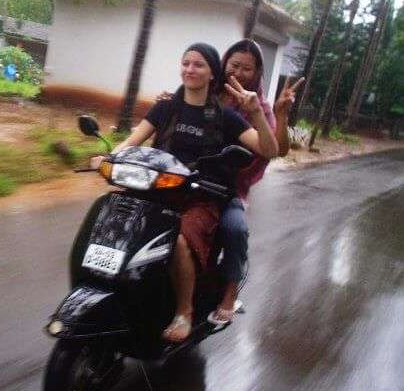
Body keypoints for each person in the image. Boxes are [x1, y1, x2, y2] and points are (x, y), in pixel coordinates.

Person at [94, 42, 279, 343]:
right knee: (114, 217)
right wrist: (108, 158)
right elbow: (134, 139)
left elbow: (268, 149)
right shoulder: (166, 106)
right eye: (186, 63)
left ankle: (184, 312)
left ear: (211, 74)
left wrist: (256, 112)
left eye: (199, 65)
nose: (190, 69)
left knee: (179, 239)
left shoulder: (227, 117)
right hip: (156, 190)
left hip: (202, 197)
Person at [158, 39, 304, 326]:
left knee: (234, 229)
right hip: (187, 181)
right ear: (223, 65)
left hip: (229, 189)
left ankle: (229, 292)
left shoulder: (257, 106)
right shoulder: (207, 91)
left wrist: (280, 114)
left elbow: (277, 148)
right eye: (234, 65)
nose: (238, 72)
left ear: (258, 73)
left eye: (247, 68)